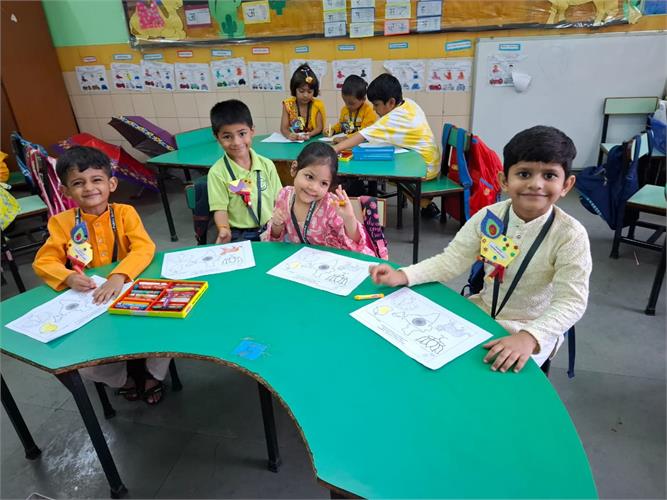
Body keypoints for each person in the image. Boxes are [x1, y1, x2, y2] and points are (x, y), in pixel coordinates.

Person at [369, 126, 592, 373]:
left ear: (566, 185)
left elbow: (572, 301)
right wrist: (403, 275)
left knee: (504, 387)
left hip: (530, 333)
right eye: (524, 173)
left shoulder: (570, 235)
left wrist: (530, 337)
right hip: (482, 317)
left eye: (549, 176)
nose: (536, 184)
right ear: (503, 181)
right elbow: (451, 261)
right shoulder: (489, 217)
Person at [32, 146, 168, 404]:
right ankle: (122, 380)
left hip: (129, 289)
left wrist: (119, 275)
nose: (89, 188)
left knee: (167, 331)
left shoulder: (125, 213)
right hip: (92, 300)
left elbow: (144, 248)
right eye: (78, 183)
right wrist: (68, 277)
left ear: (111, 184)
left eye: (97, 180)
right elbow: (44, 261)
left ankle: (152, 374)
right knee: (84, 362)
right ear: (65, 191)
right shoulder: (61, 222)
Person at [332, 73, 441, 215]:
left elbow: (362, 135)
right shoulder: (409, 104)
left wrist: (336, 148)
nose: (374, 109)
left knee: (382, 171)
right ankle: (424, 205)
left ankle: (374, 210)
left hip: (423, 168)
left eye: (376, 104)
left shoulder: (394, 117)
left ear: (391, 102)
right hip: (430, 161)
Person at [262, 142, 375, 256]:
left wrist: (349, 218)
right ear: (294, 168)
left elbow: (356, 244)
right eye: (309, 177)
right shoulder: (284, 195)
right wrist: (277, 224)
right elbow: (275, 239)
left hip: (336, 261)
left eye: (323, 183)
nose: (314, 188)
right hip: (303, 261)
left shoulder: (331, 205)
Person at [208, 99, 282, 243]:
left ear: (252, 131)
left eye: (242, 134)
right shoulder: (217, 173)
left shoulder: (267, 165)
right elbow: (220, 209)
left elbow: (278, 200)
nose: (236, 142)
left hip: (269, 229)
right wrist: (224, 229)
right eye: (227, 136)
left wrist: (279, 223)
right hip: (239, 235)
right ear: (217, 138)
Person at [280, 63, 326, 141]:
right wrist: (289, 135)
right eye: (301, 91)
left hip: (312, 140)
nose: (305, 95)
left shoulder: (317, 105)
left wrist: (309, 134)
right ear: (294, 90)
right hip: (294, 142)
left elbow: (319, 128)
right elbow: (283, 128)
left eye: (309, 91)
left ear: (314, 91)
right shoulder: (288, 105)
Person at [324, 74, 377, 139]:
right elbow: (341, 125)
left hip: (362, 142)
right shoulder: (345, 110)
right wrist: (332, 130)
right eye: (345, 101)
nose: (347, 106)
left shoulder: (368, 111)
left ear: (363, 99)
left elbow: (364, 132)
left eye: (351, 103)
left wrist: (346, 138)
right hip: (348, 140)